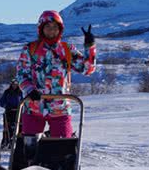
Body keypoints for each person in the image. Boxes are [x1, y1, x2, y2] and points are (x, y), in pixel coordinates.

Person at [15, 10, 96, 138]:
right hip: (34, 106)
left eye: (55, 27)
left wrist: (90, 46)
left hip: (60, 108)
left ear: (60, 29)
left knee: (63, 148)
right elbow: (21, 74)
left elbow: (88, 69)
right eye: (48, 27)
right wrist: (29, 90)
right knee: (30, 149)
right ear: (41, 29)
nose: (51, 30)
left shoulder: (67, 50)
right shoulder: (31, 49)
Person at [0, 79, 23, 149]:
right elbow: (1, 102)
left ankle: (18, 144)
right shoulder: (7, 92)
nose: (14, 85)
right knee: (7, 128)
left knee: (19, 128)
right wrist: (6, 106)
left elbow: (24, 101)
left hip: (18, 112)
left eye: (16, 84)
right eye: (13, 84)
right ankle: (5, 143)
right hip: (9, 112)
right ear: (11, 84)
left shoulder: (20, 92)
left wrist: (22, 106)